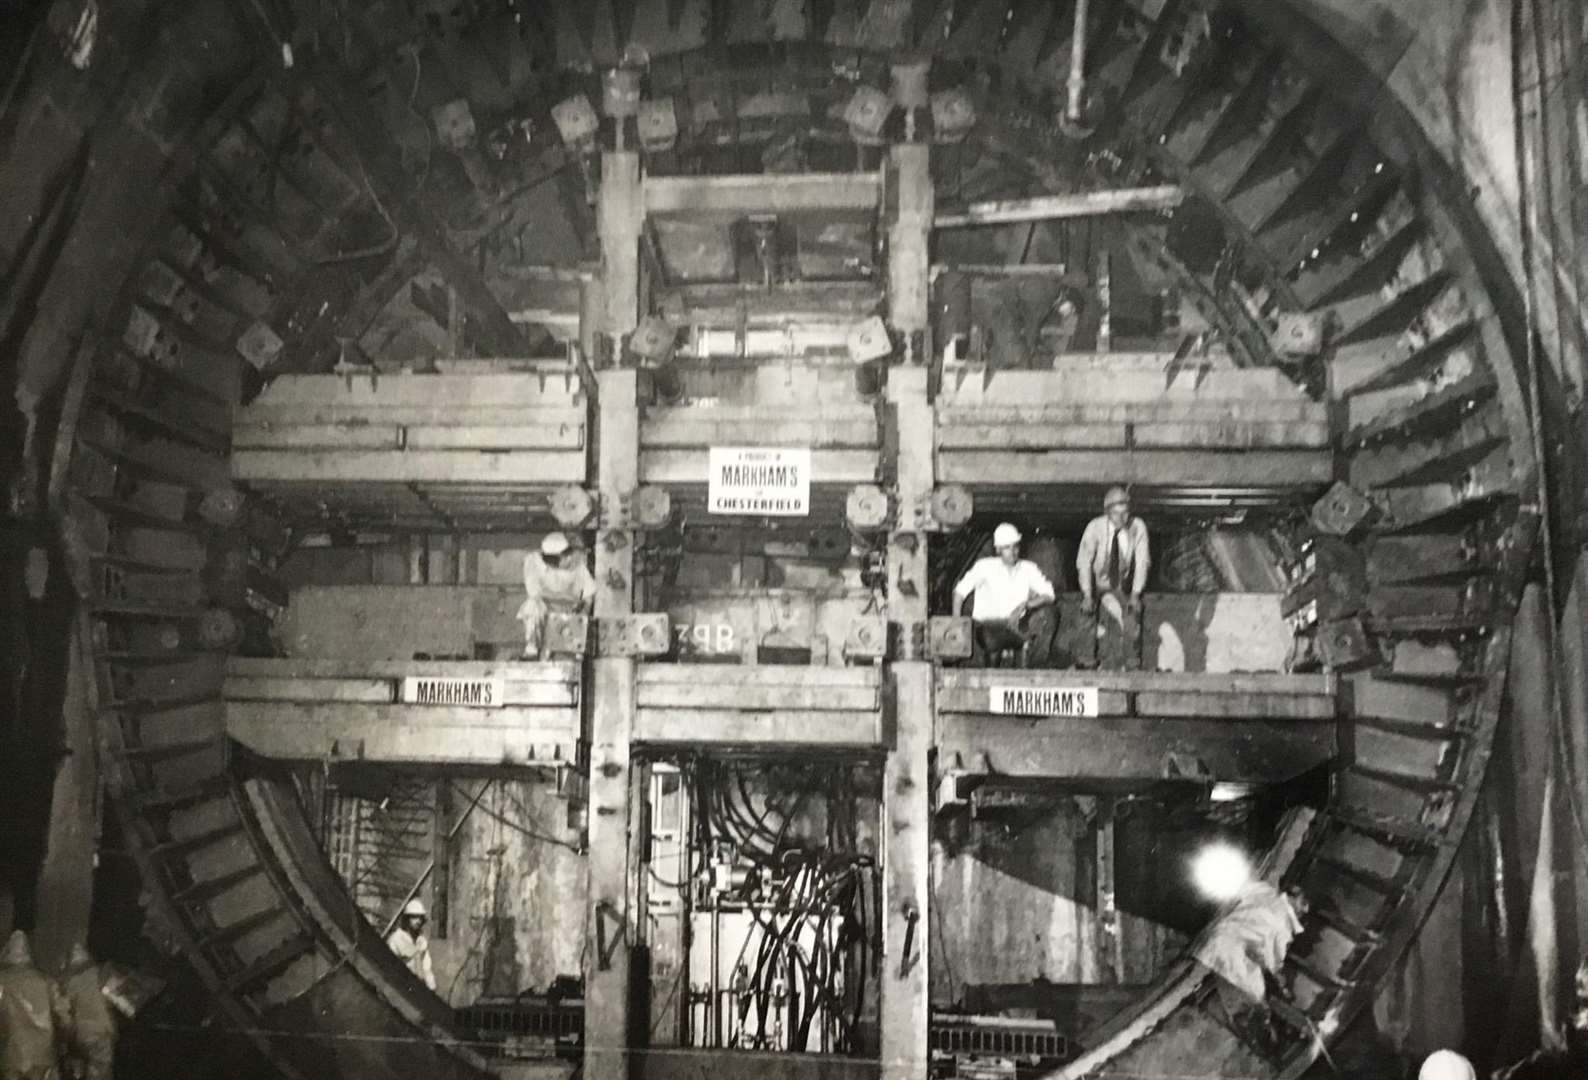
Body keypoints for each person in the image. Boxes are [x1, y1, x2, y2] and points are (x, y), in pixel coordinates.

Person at [951, 523, 1057, 667]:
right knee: (992, 647)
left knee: (1049, 614)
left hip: (1017, 625)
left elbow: (1049, 594)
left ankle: (1033, 670)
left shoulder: (1028, 568)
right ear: (998, 549)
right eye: (1007, 548)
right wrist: (957, 623)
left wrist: (1025, 605)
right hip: (989, 626)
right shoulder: (984, 566)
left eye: (1015, 546)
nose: (1013, 552)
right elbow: (959, 592)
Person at [1075, 486, 1150, 670]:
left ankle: (1132, 663)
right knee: (1086, 611)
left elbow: (1142, 561)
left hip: (1121, 583)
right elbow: (1084, 561)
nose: (1121, 518)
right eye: (1116, 514)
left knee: (1133, 611)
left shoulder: (1137, 526)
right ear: (1107, 512)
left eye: (1125, 513)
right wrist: (1087, 594)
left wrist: (1135, 594)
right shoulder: (1095, 527)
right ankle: (1086, 660)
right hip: (1096, 581)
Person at [0, 930, 70, 1080]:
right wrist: (65, 1042)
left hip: (11, 1054)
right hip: (43, 1054)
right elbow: (64, 1016)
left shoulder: (2, 981)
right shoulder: (46, 981)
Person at [516, 532, 596, 658]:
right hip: (545, 610)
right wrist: (567, 598)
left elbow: (588, 596)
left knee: (578, 625)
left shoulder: (577, 565)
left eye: (567, 556)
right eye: (562, 558)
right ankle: (532, 649)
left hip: (569, 612)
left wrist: (582, 614)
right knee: (532, 606)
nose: (568, 560)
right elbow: (535, 594)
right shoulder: (533, 562)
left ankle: (576, 654)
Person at [59, 944, 114, 1080]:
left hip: (82, 1032)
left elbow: (64, 1011)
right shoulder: (103, 975)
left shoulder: (70, 982)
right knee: (101, 1070)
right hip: (104, 1030)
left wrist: (66, 1036)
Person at [386, 898, 436, 991]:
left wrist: (432, 988)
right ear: (407, 919)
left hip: (419, 990)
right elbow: (390, 968)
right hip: (402, 988)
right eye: (414, 917)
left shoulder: (421, 941)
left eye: (420, 917)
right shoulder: (396, 939)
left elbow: (427, 968)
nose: (418, 921)